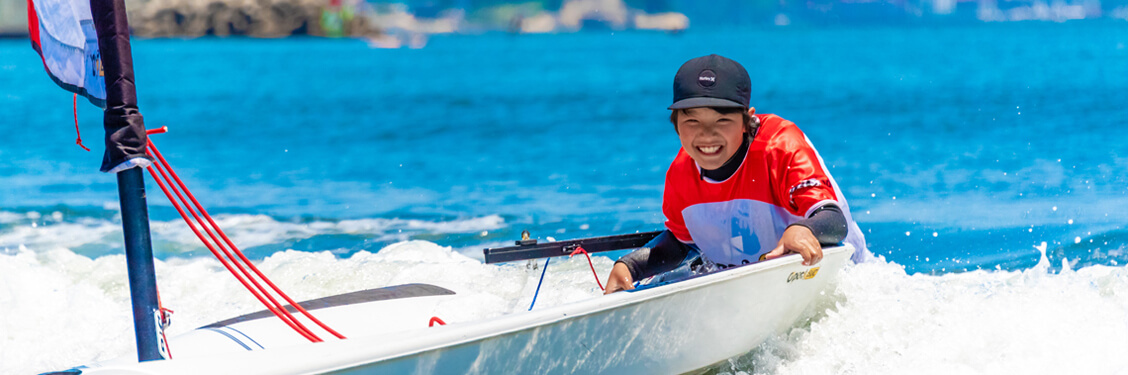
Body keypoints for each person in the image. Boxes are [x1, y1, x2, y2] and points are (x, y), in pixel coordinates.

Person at [603, 54, 869, 294]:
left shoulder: (780, 147)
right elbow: (683, 243)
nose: (706, 135)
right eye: (692, 121)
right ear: (676, 125)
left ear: (746, 120)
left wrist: (803, 229)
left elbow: (834, 220)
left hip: (835, 280)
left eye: (722, 120)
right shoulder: (680, 173)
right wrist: (631, 267)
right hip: (748, 287)